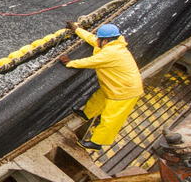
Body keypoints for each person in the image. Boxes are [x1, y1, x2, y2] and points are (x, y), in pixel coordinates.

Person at [59, 22, 143, 150]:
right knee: (99, 98)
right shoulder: (112, 45)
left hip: (126, 91)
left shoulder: (112, 53)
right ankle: (86, 114)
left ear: (106, 40)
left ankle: (97, 142)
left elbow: (91, 62)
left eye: (99, 38)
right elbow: (91, 38)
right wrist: (77, 29)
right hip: (115, 85)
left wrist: (70, 63)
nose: (96, 39)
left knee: (110, 118)